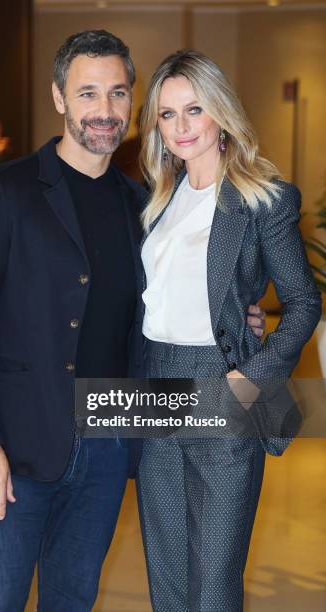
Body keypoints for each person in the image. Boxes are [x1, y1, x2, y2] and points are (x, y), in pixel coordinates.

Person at [0, 31, 265, 611]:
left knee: (73, 600)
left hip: (106, 448)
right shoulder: (0, 193)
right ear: (60, 98)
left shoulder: (145, 206)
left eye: (118, 94)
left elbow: (163, 310)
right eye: (88, 94)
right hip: (11, 452)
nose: (105, 110)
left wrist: (238, 322)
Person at [136, 49, 321, 612]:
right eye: (167, 115)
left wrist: (250, 378)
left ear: (221, 114)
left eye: (194, 110)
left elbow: (304, 302)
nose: (181, 127)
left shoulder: (263, 197)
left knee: (213, 584)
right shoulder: (159, 201)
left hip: (223, 386)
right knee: (167, 578)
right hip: (156, 389)